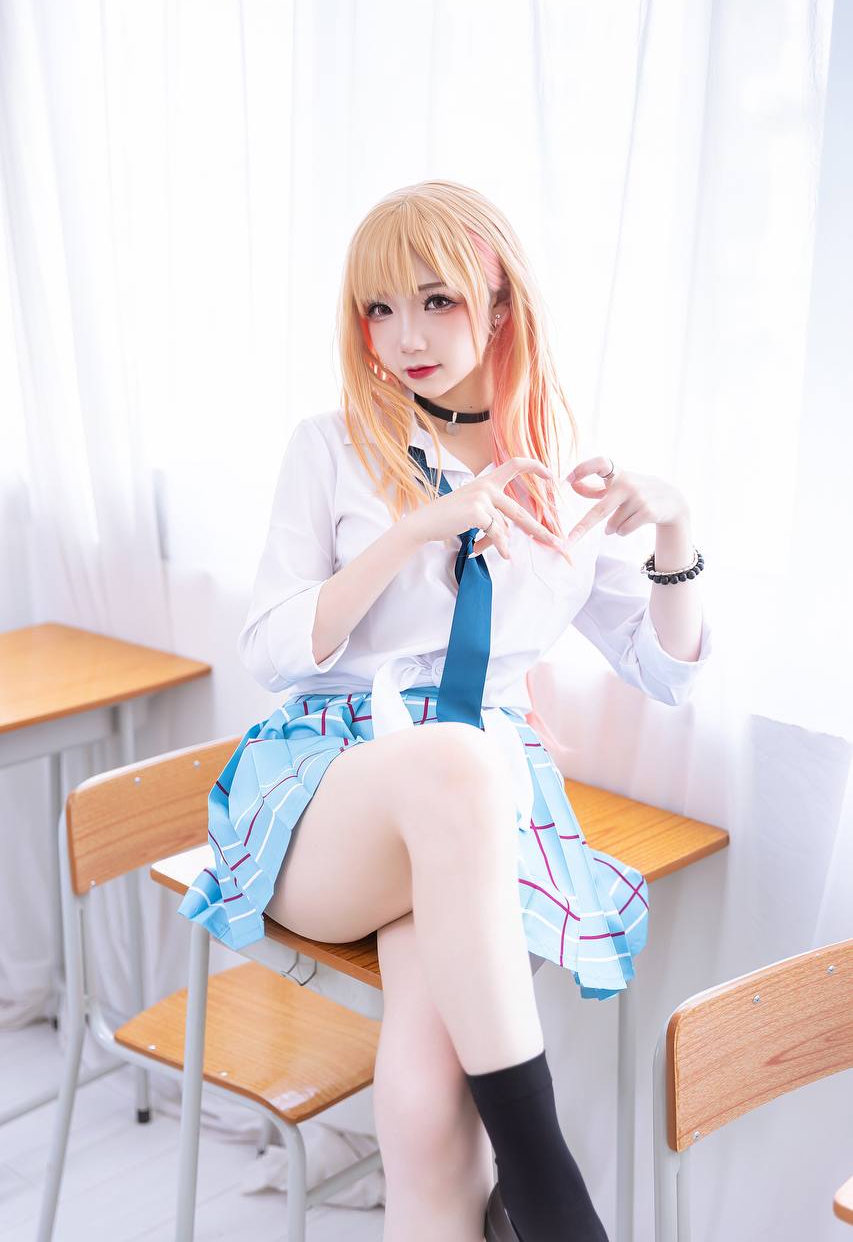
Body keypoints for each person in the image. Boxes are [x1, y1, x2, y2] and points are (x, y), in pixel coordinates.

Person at [178, 179, 713, 1242]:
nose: (407, 337)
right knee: (459, 760)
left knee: (428, 1115)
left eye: (437, 301)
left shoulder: (554, 474)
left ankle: (508, 1192)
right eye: (380, 309)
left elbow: (666, 672)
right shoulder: (329, 446)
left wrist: (673, 530)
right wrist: (415, 532)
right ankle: (550, 1184)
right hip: (331, 791)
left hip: (466, 819)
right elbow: (272, 647)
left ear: (500, 304)